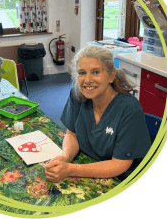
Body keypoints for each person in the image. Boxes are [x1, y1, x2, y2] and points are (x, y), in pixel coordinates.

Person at [45, 46, 151, 182]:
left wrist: (71, 169)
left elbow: (119, 164)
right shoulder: (77, 94)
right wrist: (65, 158)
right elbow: (71, 134)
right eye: (82, 73)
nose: (88, 80)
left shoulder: (129, 109)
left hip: (124, 179)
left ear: (111, 76)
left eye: (96, 72)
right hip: (89, 164)